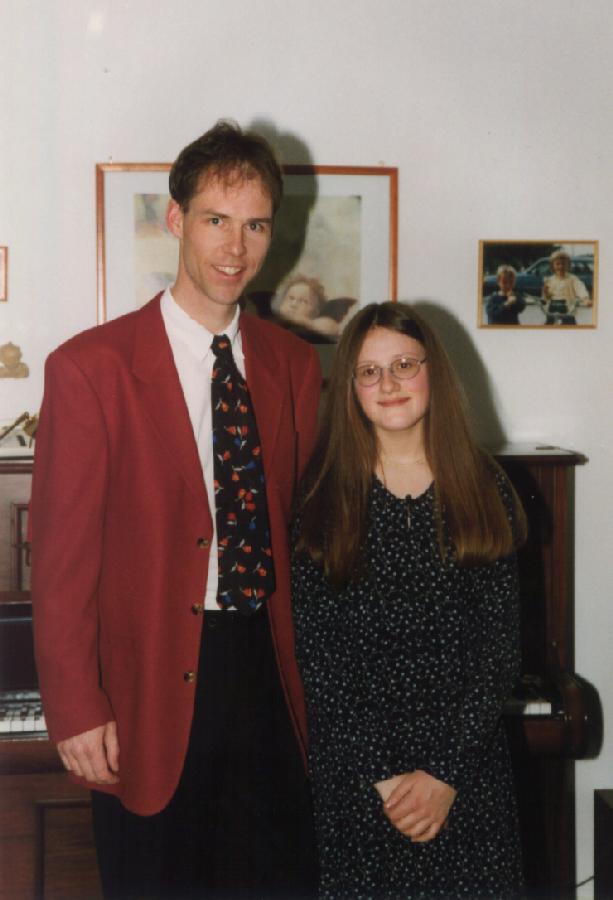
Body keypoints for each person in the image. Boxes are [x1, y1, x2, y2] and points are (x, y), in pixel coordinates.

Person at [31, 120, 321, 900]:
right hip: (149, 687)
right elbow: (59, 566)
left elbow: (305, 532)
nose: (236, 247)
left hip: (266, 675)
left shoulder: (294, 365)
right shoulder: (90, 369)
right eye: (216, 219)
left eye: (255, 225)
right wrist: (75, 707)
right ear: (175, 220)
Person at [291, 301, 526, 899]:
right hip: (360, 779)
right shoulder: (321, 496)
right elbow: (319, 658)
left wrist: (444, 775)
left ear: (433, 372)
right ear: (350, 389)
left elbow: (499, 651)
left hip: (466, 771)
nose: (389, 384)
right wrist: (386, 778)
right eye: (369, 371)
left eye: (403, 365)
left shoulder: (484, 486)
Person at [542, 250, 588, 325]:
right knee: (549, 324)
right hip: (553, 306)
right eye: (557, 264)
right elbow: (547, 297)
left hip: (567, 306)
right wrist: (545, 291)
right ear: (552, 266)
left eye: (563, 264)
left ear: (568, 265)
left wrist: (585, 299)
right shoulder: (550, 280)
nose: (561, 266)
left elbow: (580, 288)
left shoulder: (572, 279)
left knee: (570, 323)